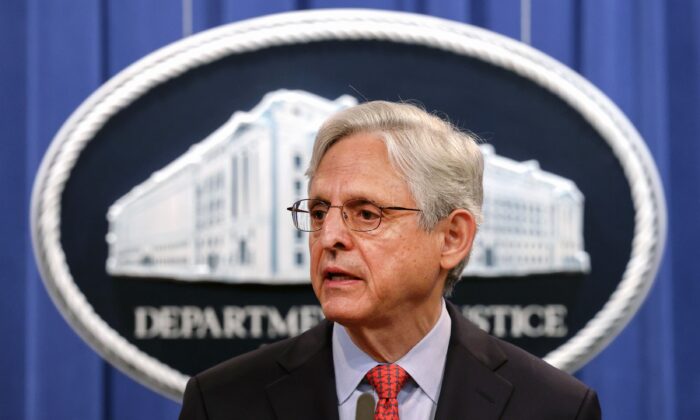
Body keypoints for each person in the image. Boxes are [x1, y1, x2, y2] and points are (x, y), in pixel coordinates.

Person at [179, 101, 601, 420]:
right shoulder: (221, 403)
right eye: (321, 211)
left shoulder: (555, 408)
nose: (329, 237)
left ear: (452, 237)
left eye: (367, 214)